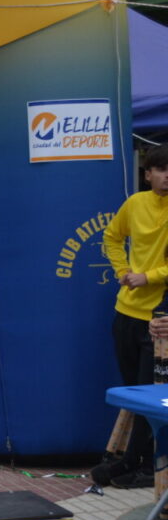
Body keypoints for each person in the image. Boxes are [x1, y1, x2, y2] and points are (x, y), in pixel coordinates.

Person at [94, 148, 168, 488]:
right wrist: (122, 270)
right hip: (126, 312)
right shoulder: (136, 203)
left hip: (160, 318)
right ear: (148, 173)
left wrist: (149, 276)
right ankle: (133, 460)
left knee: (148, 396)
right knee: (131, 391)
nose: (167, 176)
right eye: (161, 169)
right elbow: (111, 236)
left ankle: (141, 463)